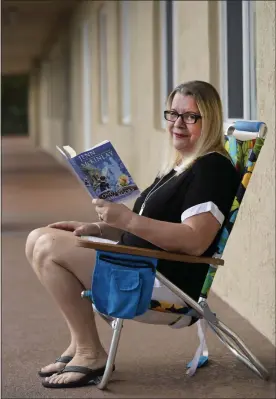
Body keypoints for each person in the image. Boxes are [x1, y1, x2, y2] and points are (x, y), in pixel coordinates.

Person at [25, 80, 240, 388]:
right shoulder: (180, 165)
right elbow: (142, 223)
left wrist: (125, 221)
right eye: (173, 114)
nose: (178, 124)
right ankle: (79, 343)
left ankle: (90, 353)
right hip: (137, 263)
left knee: (47, 247)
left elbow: (194, 241)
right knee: (38, 237)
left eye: (190, 117)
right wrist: (99, 228)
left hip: (163, 281)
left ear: (210, 121)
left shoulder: (212, 170)